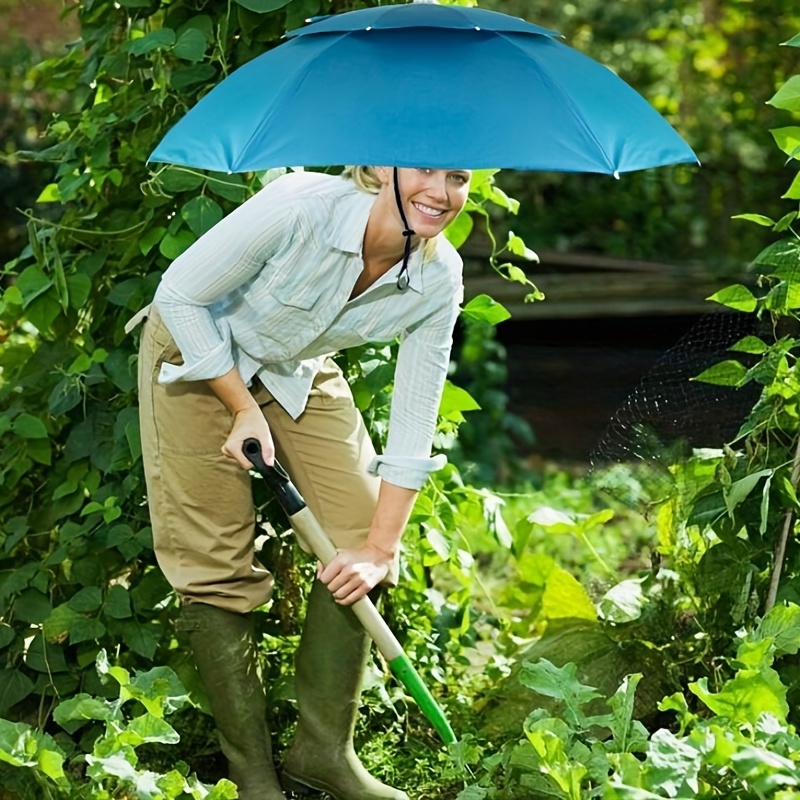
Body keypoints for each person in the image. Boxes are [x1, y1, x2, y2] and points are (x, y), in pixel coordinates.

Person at [133, 164, 471, 800]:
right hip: (193, 352)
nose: (441, 192)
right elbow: (179, 297)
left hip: (290, 365)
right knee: (214, 562)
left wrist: (380, 548)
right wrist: (239, 405)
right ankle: (252, 773)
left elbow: (415, 416)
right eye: (424, 169)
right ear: (377, 169)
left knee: (361, 531)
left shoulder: (437, 276)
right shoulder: (300, 207)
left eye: (458, 176)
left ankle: (323, 756)